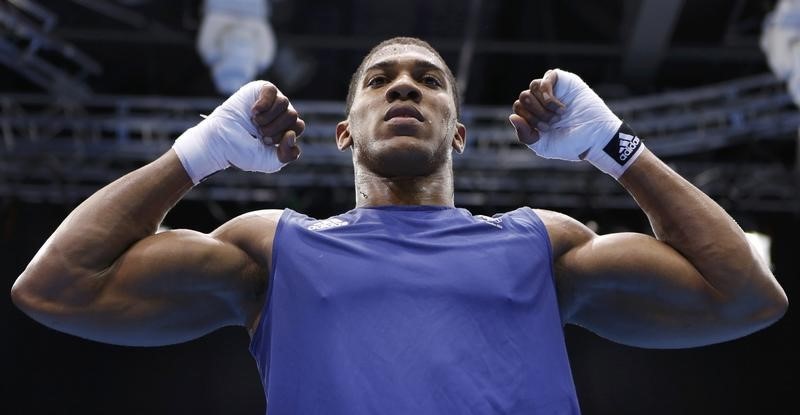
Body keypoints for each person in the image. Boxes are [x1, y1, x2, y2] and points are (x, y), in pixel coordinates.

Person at [10, 37, 788, 414]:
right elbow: (58, 286)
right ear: (345, 130)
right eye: (379, 80)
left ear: (457, 131)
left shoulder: (539, 244)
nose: (404, 88)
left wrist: (616, 148)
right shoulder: (274, 248)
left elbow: (744, 295)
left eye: (429, 79)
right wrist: (197, 153)